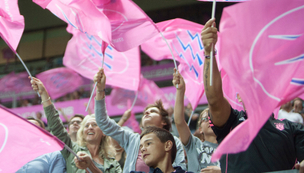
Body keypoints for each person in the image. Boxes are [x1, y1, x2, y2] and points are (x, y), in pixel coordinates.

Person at [201, 18, 304, 173]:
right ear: (239, 97)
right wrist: (209, 53)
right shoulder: (231, 123)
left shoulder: (292, 128)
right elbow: (214, 100)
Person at [94, 68, 187, 173]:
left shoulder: (174, 142)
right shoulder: (131, 139)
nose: (147, 113)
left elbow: (181, 169)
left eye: (152, 111)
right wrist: (100, 90)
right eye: (144, 113)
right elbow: (102, 121)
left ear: (164, 121)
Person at [30, 76, 122, 173]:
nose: (90, 127)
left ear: (103, 132)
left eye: (94, 125)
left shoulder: (113, 163)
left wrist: (90, 166)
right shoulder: (72, 150)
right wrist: (44, 94)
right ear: (82, 132)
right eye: (86, 126)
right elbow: (56, 127)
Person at [173, 68, 221, 173]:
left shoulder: (230, 149)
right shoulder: (193, 144)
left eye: (212, 117)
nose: (209, 119)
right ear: (200, 129)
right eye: (205, 118)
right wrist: (180, 91)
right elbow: (179, 121)